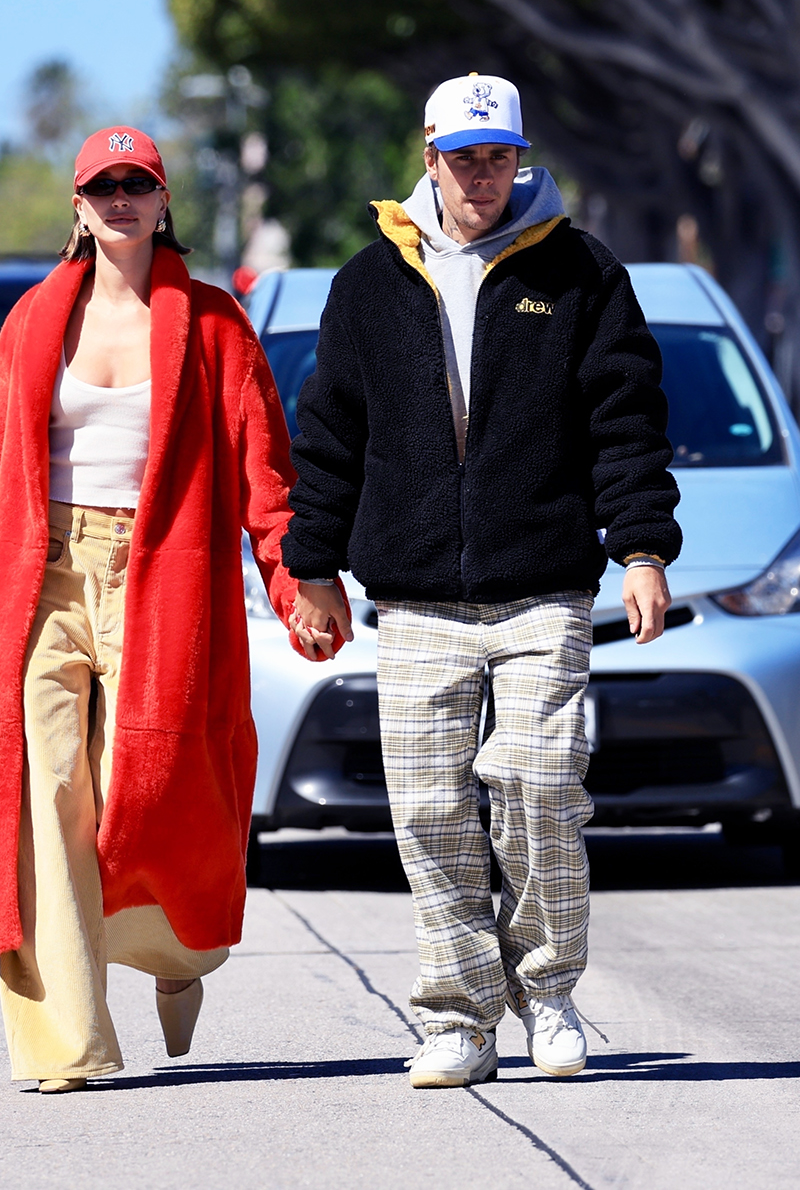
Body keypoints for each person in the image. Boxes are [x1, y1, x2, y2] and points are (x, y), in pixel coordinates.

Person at [282, 75, 681, 1087]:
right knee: (425, 810)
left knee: (539, 789)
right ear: (429, 156)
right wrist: (312, 565)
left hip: (543, 586)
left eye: (497, 155)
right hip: (413, 598)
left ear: (519, 155)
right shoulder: (368, 283)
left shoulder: (583, 272)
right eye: (462, 157)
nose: (480, 175)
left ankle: (547, 995)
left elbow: (625, 423)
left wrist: (640, 550)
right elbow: (327, 435)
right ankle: (457, 1016)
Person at [0, 126, 340, 1092]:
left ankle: (173, 950)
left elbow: (264, 482)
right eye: (102, 185)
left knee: (147, 791)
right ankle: (68, 1039)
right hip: (48, 578)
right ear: (78, 205)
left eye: (137, 183)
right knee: (49, 794)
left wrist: (295, 586)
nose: (119, 198)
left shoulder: (214, 325)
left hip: (165, 578)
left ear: (163, 203)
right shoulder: (33, 322)